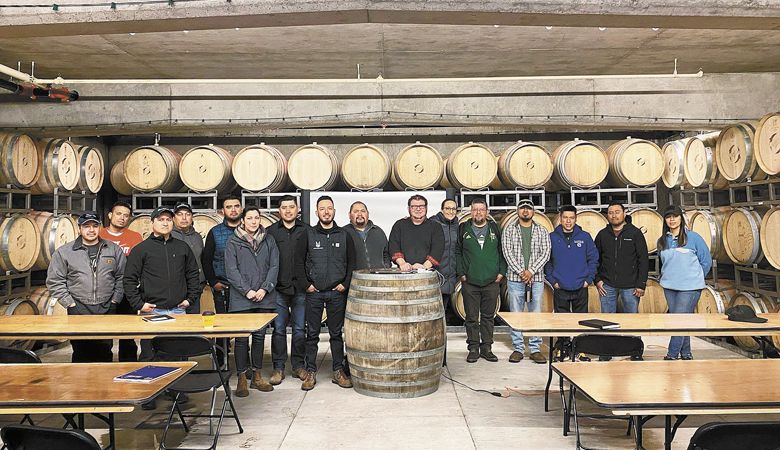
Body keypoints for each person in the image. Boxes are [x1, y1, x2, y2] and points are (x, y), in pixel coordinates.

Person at [123, 206, 201, 409]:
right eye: (160, 219)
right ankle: (148, 394)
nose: (165, 222)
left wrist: (190, 299)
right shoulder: (142, 249)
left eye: (168, 219)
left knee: (177, 353)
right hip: (153, 311)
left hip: (177, 310)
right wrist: (139, 304)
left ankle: (177, 389)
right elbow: (129, 279)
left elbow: (193, 274)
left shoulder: (182, 248)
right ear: (152, 223)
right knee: (150, 353)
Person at [47, 213, 126, 363]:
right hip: (78, 307)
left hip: (106, 306)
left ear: (100, 228)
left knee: (105, 349)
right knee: (80, 350)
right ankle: (81, 384)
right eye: (86, 226)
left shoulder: (113, 250)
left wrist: (115, 300)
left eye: (95, 226)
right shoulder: (65, 252)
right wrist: (70, 303)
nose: (91, 230)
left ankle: (103, 384)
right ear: (79, 229)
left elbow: (122, 277)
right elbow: (54, 280)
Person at [298, 196, 356, 391]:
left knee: (336, 335)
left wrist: (345, 284)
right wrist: (307, 285)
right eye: (322, 209)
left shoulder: (344, 235)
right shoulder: (308, 234)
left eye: (329, 208)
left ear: (334, 211)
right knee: (312, 334)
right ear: (316, 212)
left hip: (336, 293)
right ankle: (311, 372)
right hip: (314, 293)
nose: (326, 212)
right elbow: (297, 262)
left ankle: (338, 371)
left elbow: (352, 263)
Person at [225, 207, 280, 396]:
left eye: (257, 218)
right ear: (243, 221)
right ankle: (242, 377)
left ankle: (256, 375)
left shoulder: (269, 240)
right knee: (241, 340)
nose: (254, 221)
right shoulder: (233, 242)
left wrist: (265, 288)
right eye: (250, 218)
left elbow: (274, 266)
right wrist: (247, 291)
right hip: (242, 299)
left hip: (264, 297)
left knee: (259, 337)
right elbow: (231, 271)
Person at [658, 205, 712, 361]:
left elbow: (706, 261)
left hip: (690, 287)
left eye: (675, 216)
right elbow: (664, 264)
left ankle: (672, 354)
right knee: (682, 319)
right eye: (668, 217)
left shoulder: (693, 237)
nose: (672, 219)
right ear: (665, 220)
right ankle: (686, 353)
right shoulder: (662, 241)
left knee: (679, 320)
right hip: (669, 286)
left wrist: (696, 277)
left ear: (681, 218)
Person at [455, 198, 506, 363]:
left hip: (491, 282)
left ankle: (487, 348)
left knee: (488, 317)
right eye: (475, 209)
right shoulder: (464, 229)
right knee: (471, 318)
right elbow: (457, 252)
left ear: (487, 212)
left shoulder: (494, 228)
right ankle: (473, 348)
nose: (478, 212)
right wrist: (462, 273)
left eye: (481, 209)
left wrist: (501, 273)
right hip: (470, 282)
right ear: (471, 212)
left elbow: (501, 251)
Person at [546, 205, 598, 361]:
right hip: (560, 286)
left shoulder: (585, 237)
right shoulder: (552, 237)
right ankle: (562, 349)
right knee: (561, 321)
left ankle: (579, 349)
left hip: (580, 286)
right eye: (565, 218)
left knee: (580, 320)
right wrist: (553, 280)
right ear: (560, 218)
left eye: (571, 218)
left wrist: (588, 280)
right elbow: (547, 261)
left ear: (576, 219)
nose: (568, 221)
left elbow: (593, 259)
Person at [266, 195, 309, 384]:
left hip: (301, 288)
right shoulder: (270, 232)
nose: (288, 211)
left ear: (297, 209)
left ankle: (298, 365)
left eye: (292, 207)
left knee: (299, 330)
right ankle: (278, 367)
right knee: (279, 330)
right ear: (279, 211)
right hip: (278, 289)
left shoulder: (307, 230)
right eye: (284, 208)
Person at [502, 199, 551, 364]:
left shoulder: (541, 230)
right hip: (516, 279)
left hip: (536, 279)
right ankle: (518, 348)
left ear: (533, 212)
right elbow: (507, 253)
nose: (525, 211)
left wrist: (530, 271)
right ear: (518, 211)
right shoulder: (509, 230)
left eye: (528, 209)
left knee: (535, 313)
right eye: (522, 208)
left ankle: (535, 348)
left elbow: (545, 253)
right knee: (516, 313)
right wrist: (522, 272)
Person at [99, 201, 144, 362]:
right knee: (104, 333)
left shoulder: (135, 237)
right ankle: (104, 366)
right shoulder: (99, 235)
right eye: (118, 214)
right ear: (110, 215)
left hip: (127, 290)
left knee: (128, 333)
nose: (122, 218)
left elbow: (140, 263)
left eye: (126, 215)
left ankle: (128, 365)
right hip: (104, 292)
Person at [202, 196, 242, 367]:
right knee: (222, 325)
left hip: (244, 289)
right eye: (229, 207)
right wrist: (213, 282)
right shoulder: (215, 232)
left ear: (241, 208)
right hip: (223, 286)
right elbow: (206, 259)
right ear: (222, 211)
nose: (233, 209)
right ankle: (221, 359)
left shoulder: (250, 230)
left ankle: (243, 361)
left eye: (236, 206)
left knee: (243, 326)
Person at [595, 202, 649, 316]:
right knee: (607, 320)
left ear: (624, 213)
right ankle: (611, 335)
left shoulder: (635, 233)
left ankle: (633, 335)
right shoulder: (602, 234)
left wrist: (641, 284)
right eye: (610, 213)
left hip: (631, 286)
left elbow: (643, 259)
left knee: (632, 320)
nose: (614, 215)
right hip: (607, 285)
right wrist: (597, 280)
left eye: (617, 212)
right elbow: (595, 259)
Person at [388, 194, 445, 271]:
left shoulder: (435, 227)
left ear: (426, 208)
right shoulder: (399, 225)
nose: (418, 209)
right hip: (404, 272)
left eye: (421, 206)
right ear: (409, 208)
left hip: (428, 272)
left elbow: (438, 250)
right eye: (414, 206)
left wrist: (424, 267)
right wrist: (402, 263)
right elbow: (393, 247)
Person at [171, 202, 205, 314]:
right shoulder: (168, 236)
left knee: (193, 323)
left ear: (192, 217)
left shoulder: (197, 237)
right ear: (174, 218)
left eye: (187, 214)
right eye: (180, 214)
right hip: (176, 289)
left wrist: (202, 282)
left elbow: (202, 260)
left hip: (195, 289)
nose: (184, 218)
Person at [430, 199, 459, 312]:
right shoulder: (432, 224)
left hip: (449, 275)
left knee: (442, 312)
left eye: (453, 209)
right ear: (442, 210)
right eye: (447, 208)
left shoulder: (457, 226)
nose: (450, 211)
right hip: (435, 274)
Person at [343, 201, 390, 270]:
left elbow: (386, 254)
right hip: (354, 279)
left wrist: (386, 267)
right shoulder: (343, 233)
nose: (359, 214)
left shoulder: (378, 231)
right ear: (349, 215)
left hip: (378, 278)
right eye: (356, 211)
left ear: (368, 214)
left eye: (363, 211)